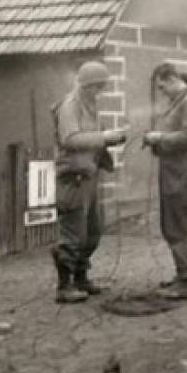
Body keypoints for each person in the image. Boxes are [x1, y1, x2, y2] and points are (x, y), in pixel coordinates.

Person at [50, 61, 127, 303]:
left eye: (100, 87)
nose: (98, 92)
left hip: (89, 176)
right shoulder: (70, 106)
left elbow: (92, 139)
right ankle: (64, 286)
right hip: (72, 179)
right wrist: (105, 137)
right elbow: (71, 138)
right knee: (72, 232)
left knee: (92, 231)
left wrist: (111, 141)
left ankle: (81, 278)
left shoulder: (89, 106)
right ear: (85, 85)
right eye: (95, 87)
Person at [143, 63, 187, 300]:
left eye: (162, 86)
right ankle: (182, 275)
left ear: (171, 79)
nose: (162, 92)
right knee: (172, 225)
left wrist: (159, 137)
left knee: (181, 225)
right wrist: (156, 142)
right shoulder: (178, 102)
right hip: (171, 174)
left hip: (182, 175)